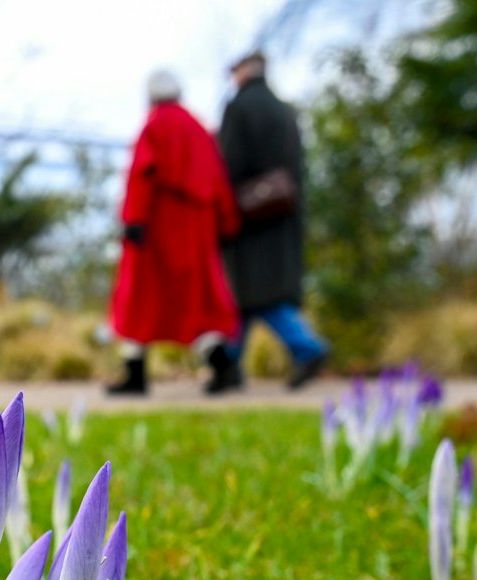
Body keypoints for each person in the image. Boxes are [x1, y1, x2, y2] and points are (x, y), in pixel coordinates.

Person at [107, 70, 242, 396]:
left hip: (157, 229)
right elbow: (218, 178)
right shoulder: (198, 127)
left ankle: (135, 374)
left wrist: (133, 220)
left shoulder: (154, 125)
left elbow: (142, 174)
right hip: (196, 231)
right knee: (197, 302)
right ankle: (222, 365)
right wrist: (227, 223)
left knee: (139, 299)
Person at [218, 50, 329, 389]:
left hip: (249, 216)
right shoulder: (284, 109)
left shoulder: (238, 108)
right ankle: (227, 363)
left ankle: (307, 348)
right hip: (283, 214)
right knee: (248, 295)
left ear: (244, 72)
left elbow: (229, 163)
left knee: (255, 293)